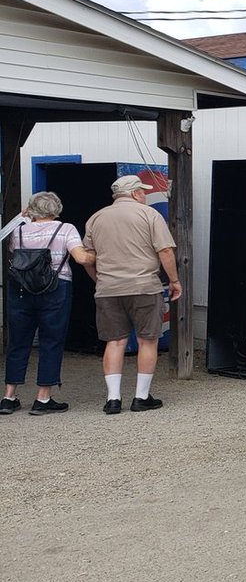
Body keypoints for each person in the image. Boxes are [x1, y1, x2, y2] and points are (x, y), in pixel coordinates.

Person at [82, 175, 182, 415]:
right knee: (147, 340)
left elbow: (87, 258)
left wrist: (100, 279)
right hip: (144, 286)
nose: (145, 195)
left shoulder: (96, 218)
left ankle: (113, 399)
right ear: (136, 193)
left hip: (108, 289)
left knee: (115, 341)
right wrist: (174, 281)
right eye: (143, 191)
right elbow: (165, 250)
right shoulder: (149, 215)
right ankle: (141, 396)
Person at [1, 193, 94, 416]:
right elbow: (81, 258)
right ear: (57, 209)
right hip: (55, 288)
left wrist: (23, 217)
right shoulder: (66, 229)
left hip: (21, 289)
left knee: (18, 342)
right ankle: (42, 398)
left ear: (31, 209)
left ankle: (9, 397)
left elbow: (13, 253)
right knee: (51, 340)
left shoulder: (19, 230)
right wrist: (97, 255)